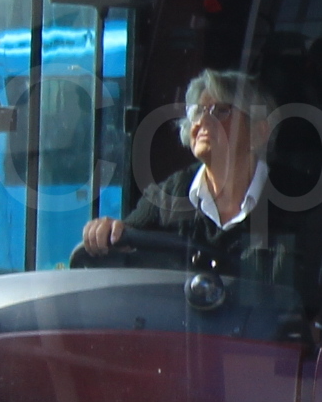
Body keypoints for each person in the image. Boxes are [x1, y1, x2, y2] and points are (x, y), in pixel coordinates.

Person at [74, 69, 300, 292]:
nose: (203, 120)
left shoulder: (298, 201)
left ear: (259, 132)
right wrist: (106, 231)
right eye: (198, 112)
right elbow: (126, 240)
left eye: (221, 110)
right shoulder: (170, 194)